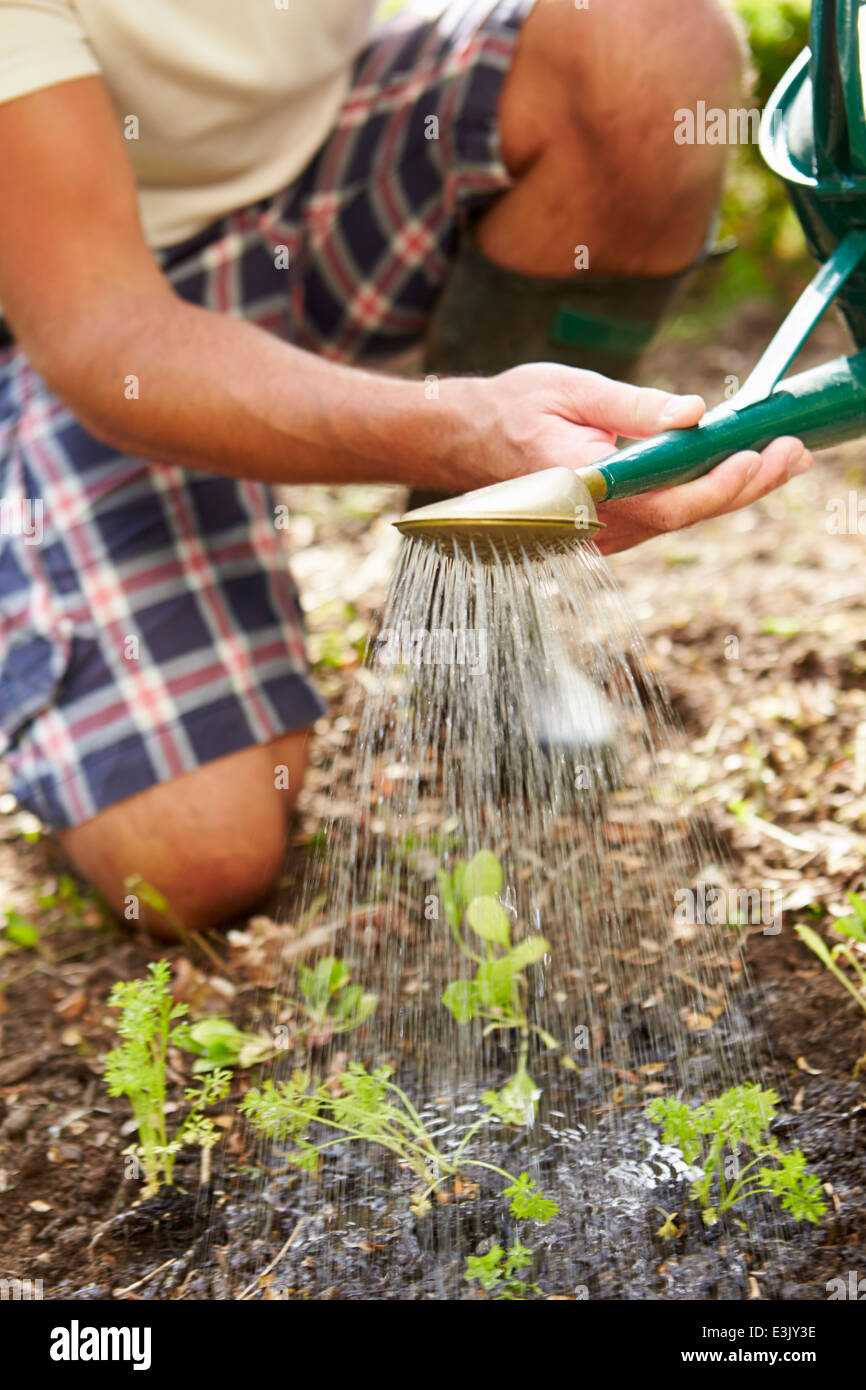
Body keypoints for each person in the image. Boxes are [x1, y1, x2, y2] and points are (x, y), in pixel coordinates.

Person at [0, 0, 812, 935]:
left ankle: (476, 608)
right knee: (192, 855)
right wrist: (456, 428)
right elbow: (100, 330)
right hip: (78, 288)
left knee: (646, 43)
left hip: (321, 166)